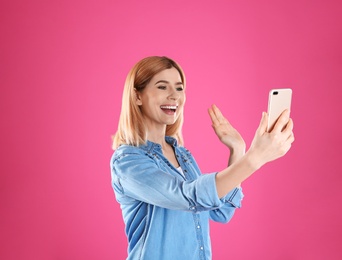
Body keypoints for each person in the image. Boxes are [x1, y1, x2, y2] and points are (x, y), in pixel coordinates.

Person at [110, 56, 294, 260]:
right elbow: (188, 197)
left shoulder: (182, 155)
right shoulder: (127, 162)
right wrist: (254, 158)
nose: (174, 96)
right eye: (162, 87)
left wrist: (237, 150)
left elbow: (221, 211)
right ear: (137, 97)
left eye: (179, 88)